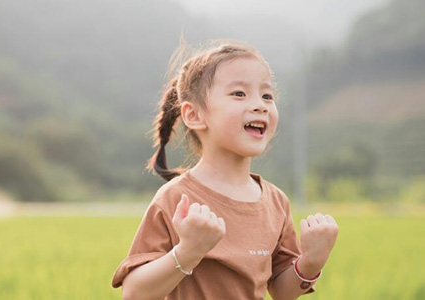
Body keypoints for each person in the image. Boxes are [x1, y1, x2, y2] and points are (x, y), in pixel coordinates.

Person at [111, 38, 339, 300]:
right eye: (239, 94)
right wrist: (188, 252)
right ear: (194, 115)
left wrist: (310, 263)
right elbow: (134, 293)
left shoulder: (276, 202)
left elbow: (280, 291)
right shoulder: (175, 199)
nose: (260, 105)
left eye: (267, 96)